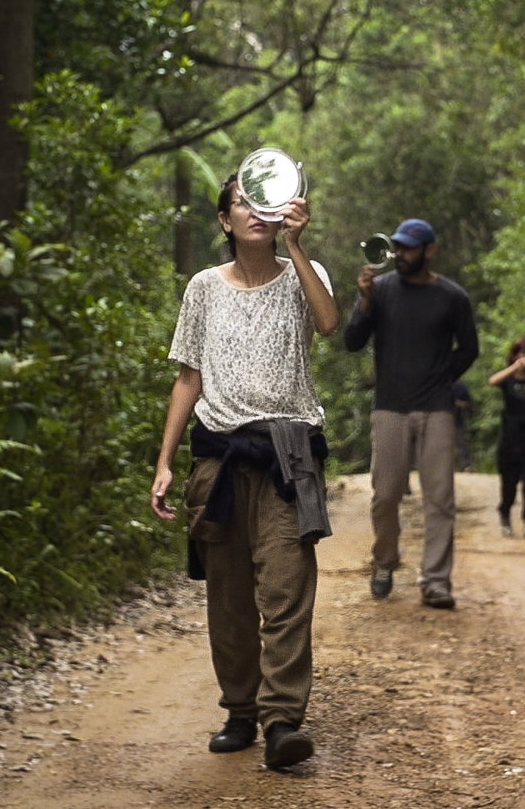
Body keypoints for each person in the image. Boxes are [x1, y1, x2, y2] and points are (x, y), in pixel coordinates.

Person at [150, 169, 339, 769]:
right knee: (228, 596)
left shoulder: (303, 274)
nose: (255, 211)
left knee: (286, 589)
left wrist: (298, 247)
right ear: (224, 221)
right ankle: (240, 709)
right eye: (241, 203)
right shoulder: (203, 287)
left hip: (289, 454)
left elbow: (330, 323)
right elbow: (188, 377)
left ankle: (283, 719)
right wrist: (164, 464)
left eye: (265, 201)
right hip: (219, 457)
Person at [344, 218, 479, 609]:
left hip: (436, 409)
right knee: (385, 495)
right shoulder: (381, 290)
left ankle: (436, 580)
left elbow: (469, 349)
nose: (401, 254)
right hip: (390, 407)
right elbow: (353, 341)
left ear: (429, 250)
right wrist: (364, 301)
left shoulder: (452, 297)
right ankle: (385, 561)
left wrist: (442, 378)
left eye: (409, 248)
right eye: (398, 247)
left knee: (440, 499)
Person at [487, 337, 525, 539]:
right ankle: (505, 515)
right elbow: (493, 381)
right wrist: (514, 368)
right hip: (510, 435)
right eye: (520, 353)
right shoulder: (509, 378)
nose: (524, 358)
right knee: (509, 483)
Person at [452, 380, 474, 471]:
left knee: (462, 444)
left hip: (458, 420)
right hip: (439, 420)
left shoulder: (461, 386)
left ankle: (466, 466)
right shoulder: (439, 384)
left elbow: (469, 403)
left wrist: (457, 403)